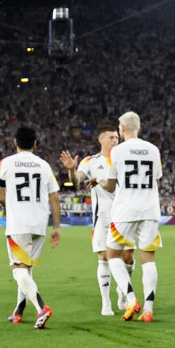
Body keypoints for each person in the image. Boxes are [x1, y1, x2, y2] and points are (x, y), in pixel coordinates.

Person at [0, 126, 60, 328]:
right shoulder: (44, 165)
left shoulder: (5, 163)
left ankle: (41, 307)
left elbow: (0, 196)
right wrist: (56, 227)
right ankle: (18, 312)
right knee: (27, 268)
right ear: (35, 143)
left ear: (15, 142)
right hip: (40, 223)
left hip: (18, 223)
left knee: (18, 270)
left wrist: (12, 207)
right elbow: (55, 198)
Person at [102, 111, 162, 322]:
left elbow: (109, 186)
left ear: (123, 128)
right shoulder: (154, 150)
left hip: (125, 210)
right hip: (149, 209)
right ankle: (148, 309)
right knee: (148, 259)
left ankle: (130, 298)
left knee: (112, 255)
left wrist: (99, 182)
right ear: (140, 128)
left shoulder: (116, 152)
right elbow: (156, 180)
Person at [60, 121, 123, 316]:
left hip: (124, 215)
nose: (115, 140)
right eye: (111, 137)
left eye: (117, 137)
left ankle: (122, 291)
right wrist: (71, 170)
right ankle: (106, 303)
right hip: (102, 217)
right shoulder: (90, 161)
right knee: (103, 258)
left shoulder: (123, 159)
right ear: (101, 139)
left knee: (127, 259)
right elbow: (76, 181)